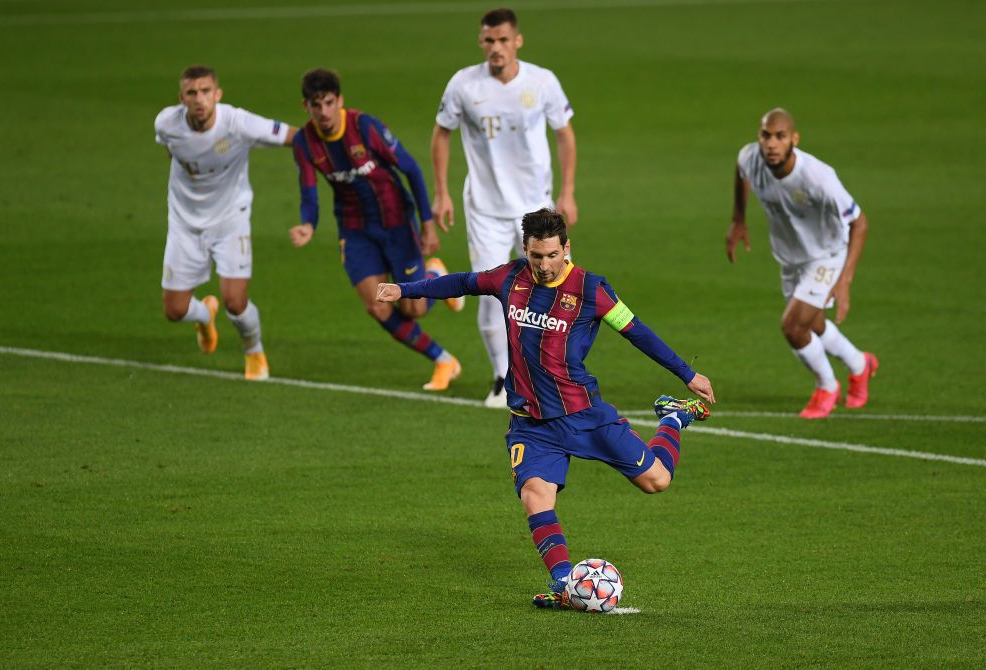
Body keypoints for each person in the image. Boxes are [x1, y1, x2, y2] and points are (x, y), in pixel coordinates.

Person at [376, 209, 715, 608]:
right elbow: (463, 283)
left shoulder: (593, 289)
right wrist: (405, 289)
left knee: (656, 481)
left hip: (583, 415)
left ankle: (674, 417)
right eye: (536, 256)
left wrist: (686, 373)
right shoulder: (509, 277)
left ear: (566, 248)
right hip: (530, 423)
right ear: (526, 249)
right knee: (536, 495)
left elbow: (636, 331)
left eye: (552, 255)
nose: (544, 265)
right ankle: (564, 584)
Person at [432, 8, 578, 407]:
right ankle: (502, 378)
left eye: (502, 40)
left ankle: (553, 374)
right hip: (485, 209)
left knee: (555, 289)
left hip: (538, 209)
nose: (496, 48)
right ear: (481, 42)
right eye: (488, 41)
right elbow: (441, 134)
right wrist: (442, 192)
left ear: (517, 41)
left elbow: (564, 135)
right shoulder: (464, 84)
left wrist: (568, 193)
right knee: (490, 291)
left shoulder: (542, 82)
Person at [289, 68, 463, 391]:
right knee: (378, 305)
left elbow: (410, 169)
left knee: (414, 308)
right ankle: (443, 360)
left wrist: (427, 224)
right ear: (306, 107)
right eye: (317, 105)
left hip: (396, 221)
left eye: (329, 102)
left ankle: (435, 275)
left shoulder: (364, 127)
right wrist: (307, 225)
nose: (324, 112)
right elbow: (309, 192)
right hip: (355, 230)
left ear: (339, 100)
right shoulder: (304, 142)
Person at [727, 108, 878, 419]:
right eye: (765, 135)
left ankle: (827, 387)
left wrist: (844, 281)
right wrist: (738, 219)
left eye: (780, 136)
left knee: (794, 327)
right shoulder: (750, 158)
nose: (771, 143)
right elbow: (741, 171)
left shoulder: (818, 178)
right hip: (791, 257)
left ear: (794, 139)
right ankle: (860, 365)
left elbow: (860, 223)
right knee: (812, 322)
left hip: (826, 254)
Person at [155, 65, 296, 380]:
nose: (199, 99)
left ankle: (254, 350)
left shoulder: (237, 123)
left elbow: (293, 137)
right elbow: (170, 147)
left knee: (235, 301)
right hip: (184, 222)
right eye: (192, 93)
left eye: (206, 91)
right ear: (181, 98)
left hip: (231, 219)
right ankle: (205, 315)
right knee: (174, 310)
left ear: (218, 94)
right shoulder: (167, 123)